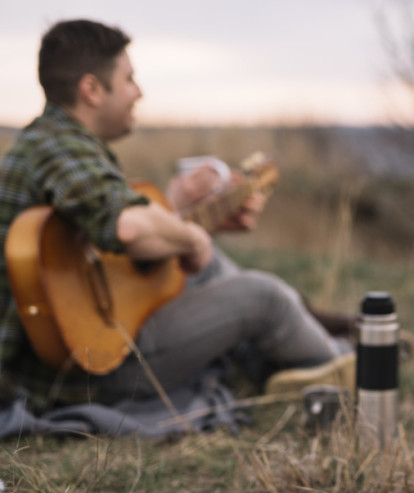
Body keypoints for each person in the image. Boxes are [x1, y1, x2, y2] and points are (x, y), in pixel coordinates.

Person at [0, 19, 354, 437]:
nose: (139, 92)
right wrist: (191, 236)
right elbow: (127, 229)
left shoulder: (44, 143)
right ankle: (344, 366)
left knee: (210, 263)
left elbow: (99, 246)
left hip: (65, 360)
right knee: (263, 295)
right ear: (92, 90)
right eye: (129, 79)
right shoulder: (63, 148)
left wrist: (180, 210)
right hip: (88, 374)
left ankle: (300, 340)